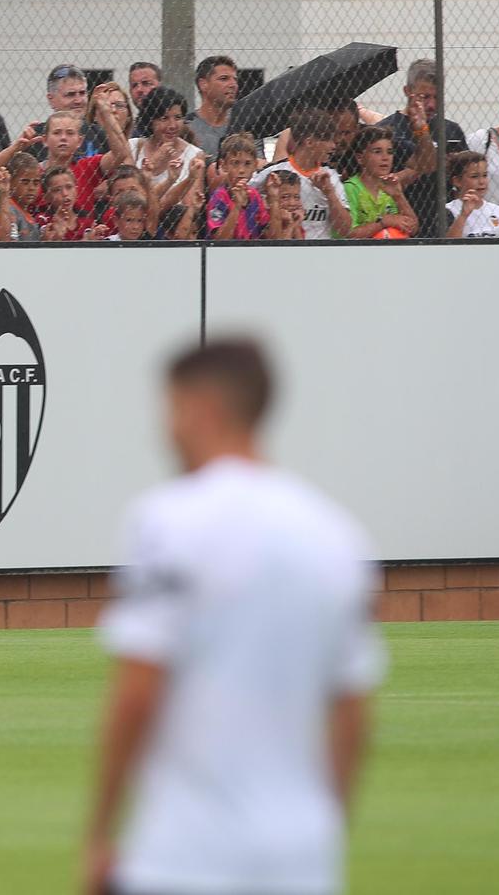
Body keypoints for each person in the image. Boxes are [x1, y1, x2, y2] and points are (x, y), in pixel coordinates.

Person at [88, 338, 382, 895]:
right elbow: (354, 715)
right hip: (300, 863)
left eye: (172, 409)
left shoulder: (166, 521)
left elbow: (136, 694)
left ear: (203, 408)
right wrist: (318, 834)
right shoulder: (338, 537)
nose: (167, 429)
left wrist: (100, 834)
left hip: (182, 856)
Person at [375, 59, 465, 237]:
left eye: (437, 97)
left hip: (443, 222)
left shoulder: (451, 129)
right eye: (424, 97)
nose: (431, 105)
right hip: (401, 223)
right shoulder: (387, 130)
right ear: (408, 91)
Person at [256, 109, 351, 241]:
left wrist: (329, 193)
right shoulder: (275, 172)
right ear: (309, 142)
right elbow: (246, 193)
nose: (333, 146)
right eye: (328, 140)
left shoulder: (331, 176)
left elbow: (345, 230)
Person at [130, 89, 205, 215]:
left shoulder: (195, 155)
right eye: (164, 118)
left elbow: (191, 206)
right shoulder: (134, 147)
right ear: (151, 121)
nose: (172, 125)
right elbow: (129, 196)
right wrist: (154, 162)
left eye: (178, 117)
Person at [341, 127, 417, 240]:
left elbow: (413, 228)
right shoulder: (350, 188)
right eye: (377, 151)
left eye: (390, 152)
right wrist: (383, 222)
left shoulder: (390, 185)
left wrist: (398, 196)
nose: (385, 158)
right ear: (360, 158)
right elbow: (349, 233)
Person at [206, 133, 267, 241]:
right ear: (223, 165)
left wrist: (275, 201)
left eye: (247, 163)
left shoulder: (254, 195)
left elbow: (268, 233)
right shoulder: (219, 197)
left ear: (255, 165)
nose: (241, 170)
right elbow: (219, 240)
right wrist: (237, 206)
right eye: (235, 163)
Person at [445, 150, 499, 238]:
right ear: (457, 181)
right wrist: (463, 215)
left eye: (485, 175)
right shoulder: (449, 210)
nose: (482, 182)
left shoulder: (497, 210)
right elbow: (448, 245)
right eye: (474, 176)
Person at [188, 55, 240, 157]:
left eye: (235, 79)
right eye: (224, 78)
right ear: (203, 84)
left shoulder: (245, 124)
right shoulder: (187, 127)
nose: (233, 84)